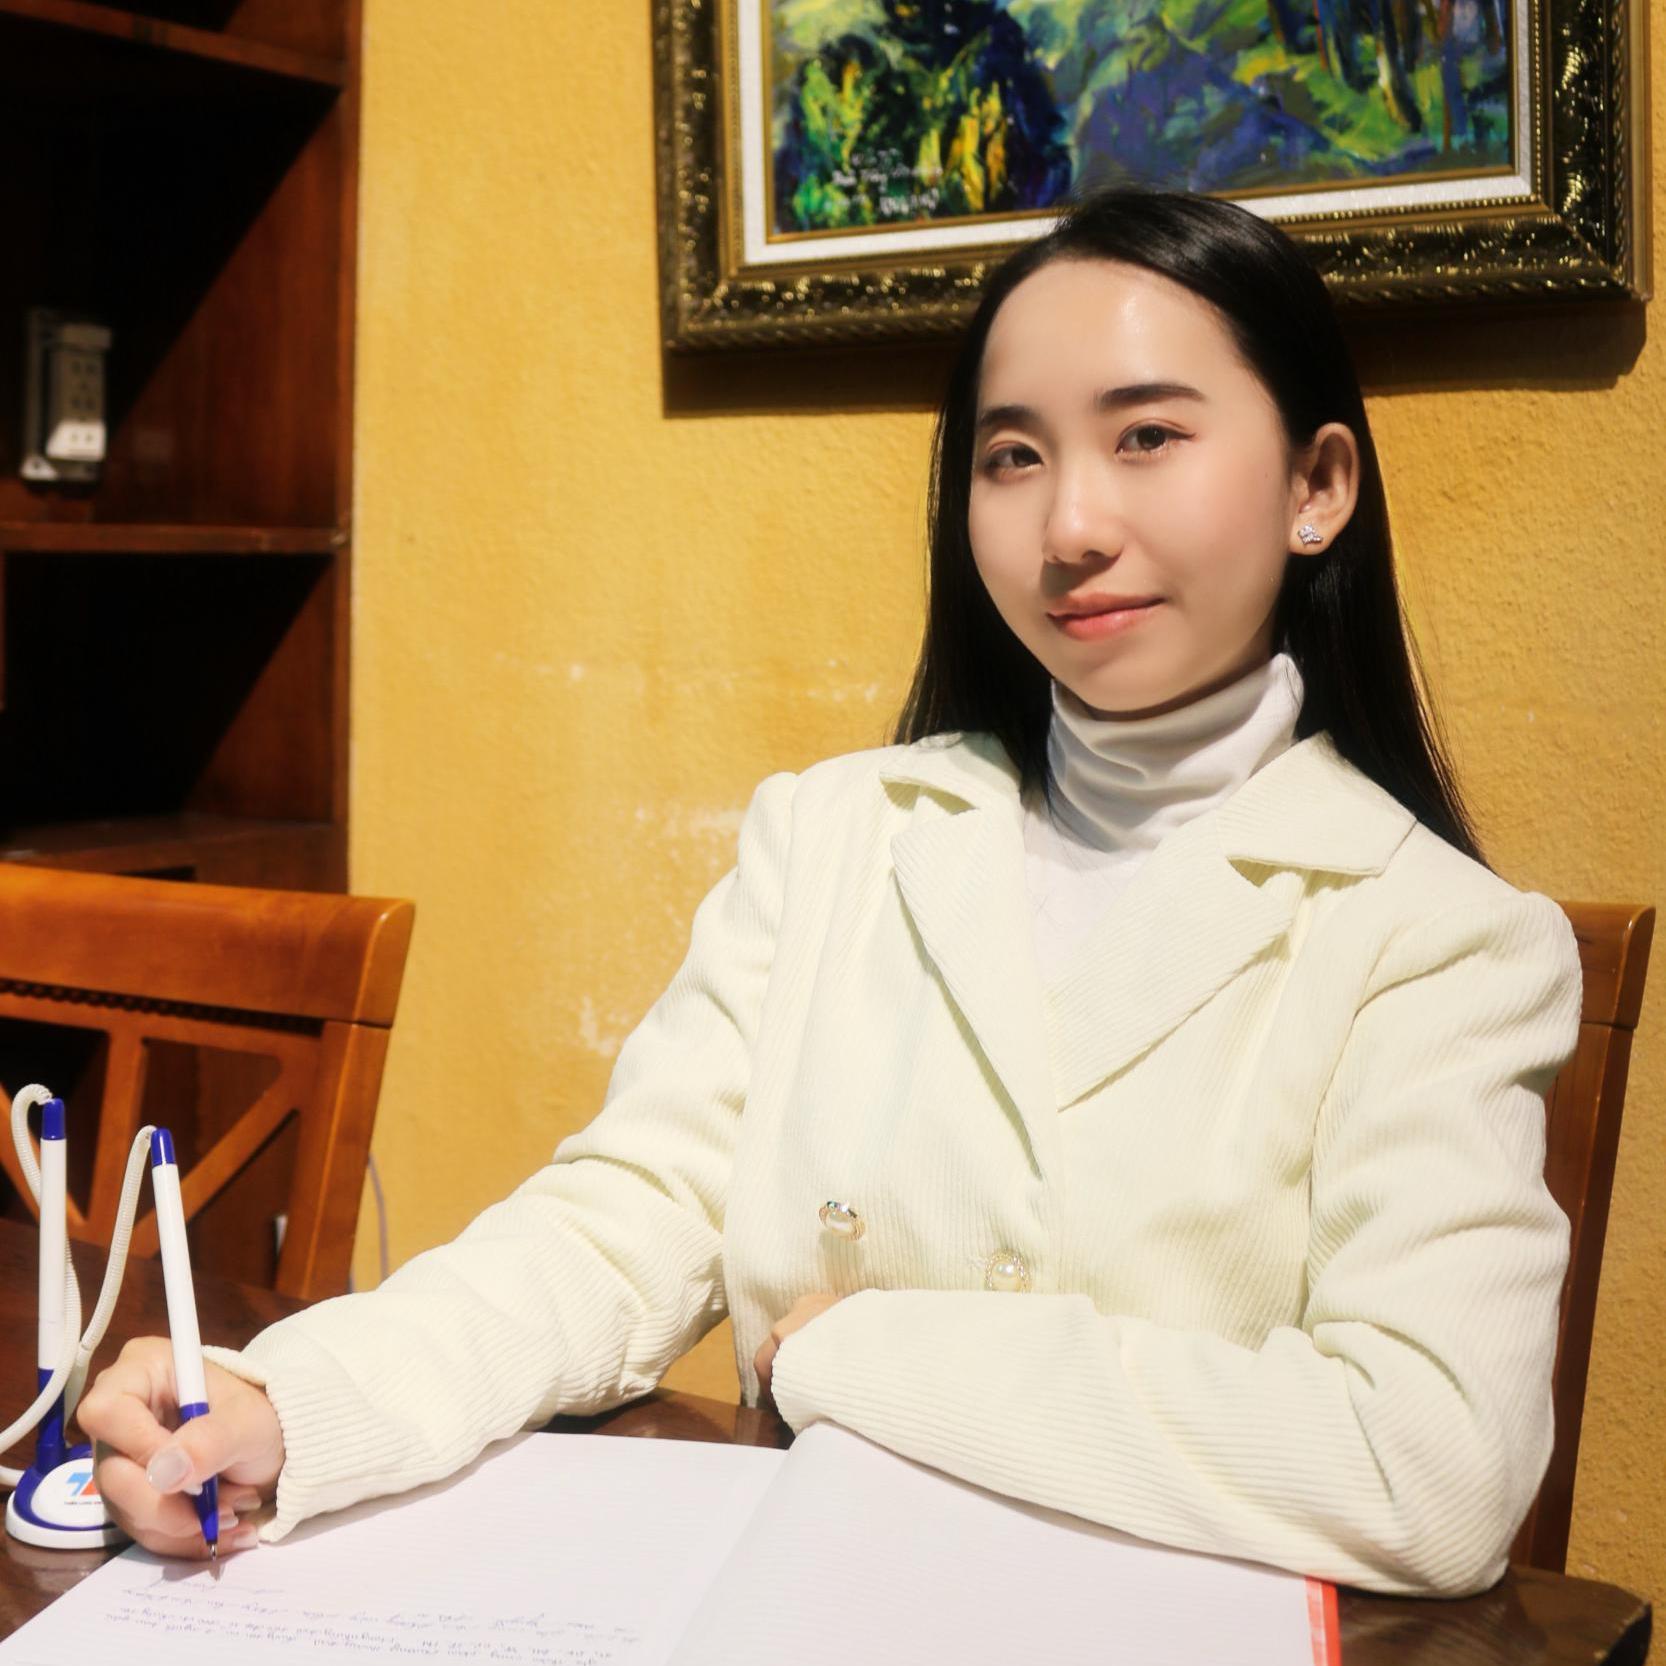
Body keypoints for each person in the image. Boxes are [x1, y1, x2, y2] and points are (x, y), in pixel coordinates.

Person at [79, 189, 1582, 1598]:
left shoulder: (1444, 941)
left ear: (1318, 486)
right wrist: (302, 1404)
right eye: (1012, 456)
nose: (1070, 525)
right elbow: (624, 1221)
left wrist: (859, 1354)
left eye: (1147, 437)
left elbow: (1431, 1464)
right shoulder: (834, 834)